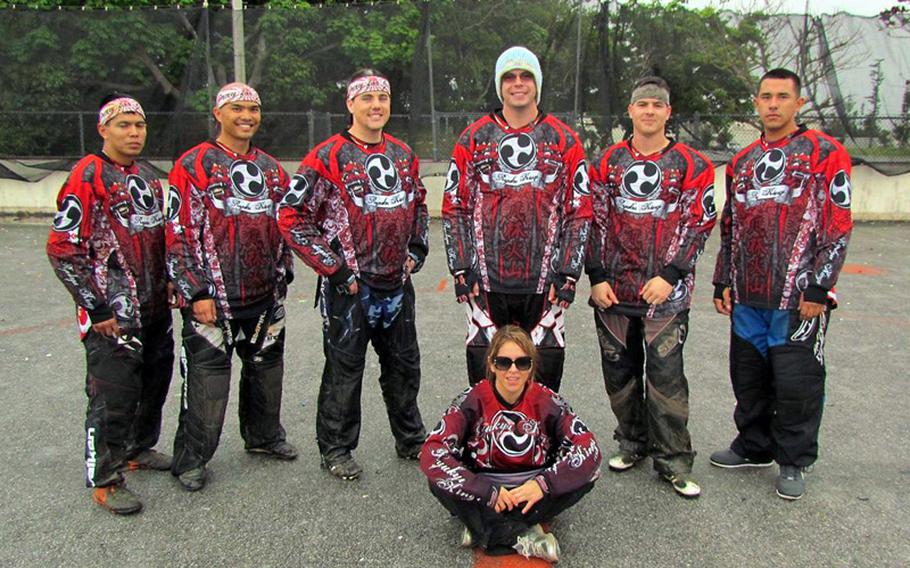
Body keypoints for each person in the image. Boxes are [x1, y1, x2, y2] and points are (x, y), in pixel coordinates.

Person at [277, 69, 429, 481]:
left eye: (382, 98)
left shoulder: (402, 155)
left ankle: (411, 438)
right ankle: (336, 448)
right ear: (350, 105)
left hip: (397, 285)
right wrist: (335, 267)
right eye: (367, 99)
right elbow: (290, 216)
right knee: (345, 371)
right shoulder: (326, 157)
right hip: (350, 287)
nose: (376, 105)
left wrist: (418, 247)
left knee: (404, 366)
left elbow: (418, 203)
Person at [710, 68, 853, 500]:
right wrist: (722, 281)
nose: (772, 104)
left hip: (797, 299)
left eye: (781, 96)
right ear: (756, 103)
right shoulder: (743, 162)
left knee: (797, 383)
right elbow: (730, 226)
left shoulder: (825, 153)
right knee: (748, 379)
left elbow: (838, 225)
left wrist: (820, 287)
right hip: (749, 297)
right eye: (765, 96)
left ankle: (793, 460)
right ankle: (753, 446)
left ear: (799, 102)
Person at [585, 76, 716, 499]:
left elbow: (700, 223)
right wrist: (597, 276)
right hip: (614, 297)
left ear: (668, 113)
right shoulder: (606, 163)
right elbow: (591, 221)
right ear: (630, 110)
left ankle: (674, 461)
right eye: (641, 104)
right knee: (619, 379)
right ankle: (632, 443)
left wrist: (671, 275)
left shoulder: (692, 165)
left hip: (666, 299)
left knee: (667, 382)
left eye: (656, 105)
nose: (648, 111)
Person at [166, 82, 297, 492]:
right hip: (212, 303)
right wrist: (195, 292)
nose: (246, 116)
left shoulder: (272, 169)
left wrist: (283, 273)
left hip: (263, 299)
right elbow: (178, 233)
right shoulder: (193, 165)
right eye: (237, 108)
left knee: (266, 375)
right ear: (217, 113)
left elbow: (287, 224)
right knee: (207, 385)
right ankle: (191, 459)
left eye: (253, 109)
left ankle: (262, 437)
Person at [47, 93, 174, 515]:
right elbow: (63, 248)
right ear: (103, 129)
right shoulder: (88, 175)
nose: (134, 132)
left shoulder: (147, 175)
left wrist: (172, 283)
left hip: (154, 307)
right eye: (124, 125)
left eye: (139, 125)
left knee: (153, 385)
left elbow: (162, 238)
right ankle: (105, 477)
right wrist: (95, 307)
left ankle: (139, 448)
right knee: (112, 397)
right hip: (112, 316)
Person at [441, 46, 592, 391]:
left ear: (537, 83)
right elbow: (454, 208)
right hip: (486, 283)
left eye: (526, 76)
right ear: (500, 84)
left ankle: (542, 439)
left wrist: (567, 275)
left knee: (544, 370)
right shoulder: (474, 138)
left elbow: (579, 212)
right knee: (486, 371)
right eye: (509, 77)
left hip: (545, 285)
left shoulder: (565, 140)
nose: (518, 83)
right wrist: (462, 268)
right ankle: (487, 440)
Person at [421, 325, 600, 562]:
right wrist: (486, 492)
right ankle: (518, 533)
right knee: (436, 480)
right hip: (486, 491)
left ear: (531, 366)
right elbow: (432, 451)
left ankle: (481, 526)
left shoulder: (548, 400)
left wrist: (544, 484)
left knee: (588, 475)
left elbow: (590, 449)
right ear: (492, 364)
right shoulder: (471, 399)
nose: (512, 370)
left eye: (522, 363)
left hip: (534, 491)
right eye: (504, 362)